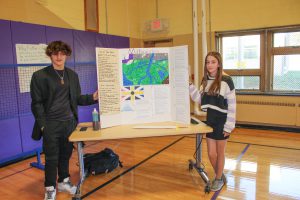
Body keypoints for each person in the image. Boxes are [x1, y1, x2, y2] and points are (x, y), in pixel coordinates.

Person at [30, 41, 98, 200]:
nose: (59, 57)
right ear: (50, 55)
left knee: (65, 155)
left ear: (67, 55)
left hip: (69, 124)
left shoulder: (72, 75)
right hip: (50, 125)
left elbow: (78, 98)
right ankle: (50, 188)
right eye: (55, 53)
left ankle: (63, 182)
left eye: (62, 53)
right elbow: (36, 103)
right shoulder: (39, 76)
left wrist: (93, 97)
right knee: (52, 157)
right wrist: (42, 126)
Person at [189, 51, 236, 191]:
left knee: (220, 153)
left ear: (219, 64)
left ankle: (218, 178)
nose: (210, 65)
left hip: (223, 121)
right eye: (207, 62)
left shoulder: (227, 81)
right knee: (211, 154)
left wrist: (229, 126)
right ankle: (220, 175)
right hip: (211, 120)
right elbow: (200, 99)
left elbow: (233, 105)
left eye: (213, 62)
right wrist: (189, 85)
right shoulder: (205, 80)